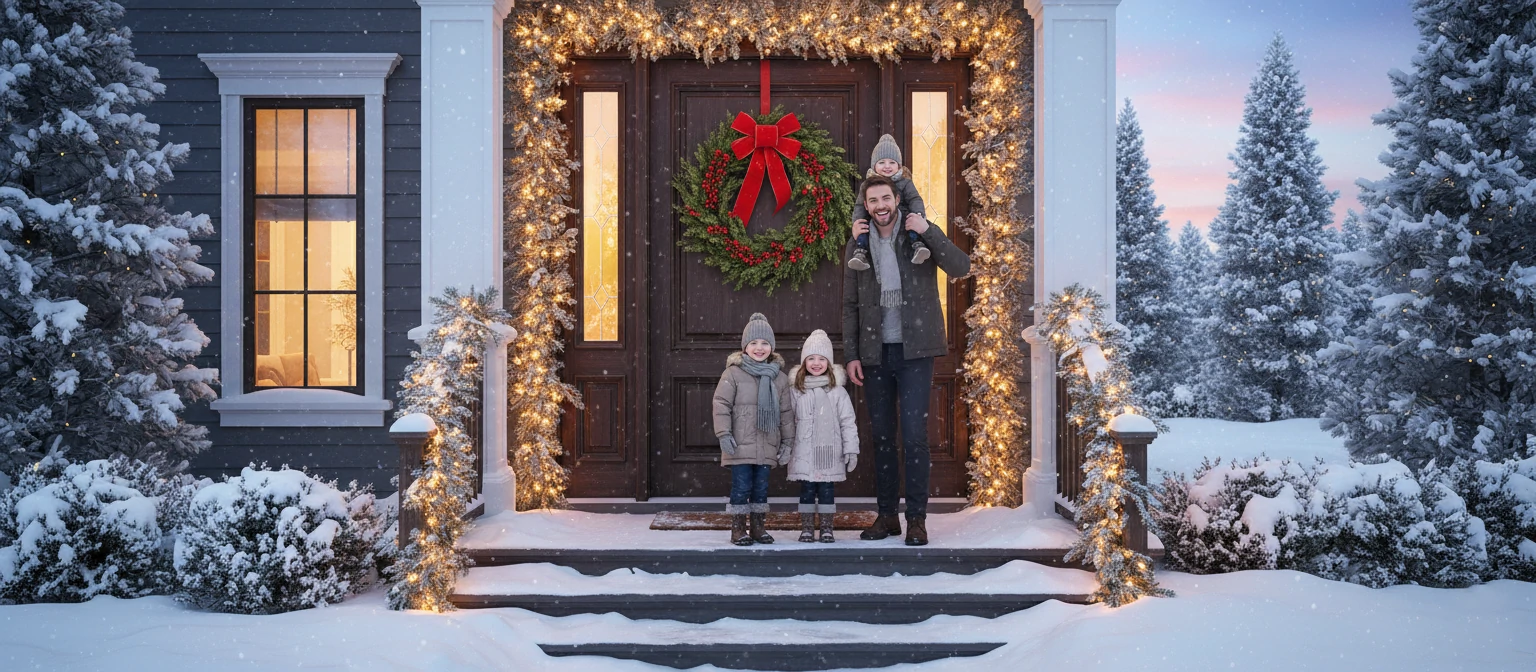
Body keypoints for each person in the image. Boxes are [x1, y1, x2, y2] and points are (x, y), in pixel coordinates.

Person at [842, 175, 971, 546]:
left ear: (897, 199)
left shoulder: (918, 235)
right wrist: (851, 355)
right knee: (882, 438)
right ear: (865, 206)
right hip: (875, 353)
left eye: (886, 198)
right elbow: (849, 305)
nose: (880, 205)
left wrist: (929, 231)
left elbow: (961, 267)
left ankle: (916, 519)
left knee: (914, 438)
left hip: (916, 352)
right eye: (873, 200)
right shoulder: (858, 244)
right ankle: (886, 517)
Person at [712, 312, 795, 546]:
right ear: (745, 347)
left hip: (767, 445)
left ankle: (758, 528)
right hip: (739, 445)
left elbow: (786, 414)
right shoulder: (733, 374)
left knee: (761, 488)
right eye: (754, 343)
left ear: (772, 347)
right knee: (741, 487)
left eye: (765, 343)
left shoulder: (779, 378)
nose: (760, 348)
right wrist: (723, 434)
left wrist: (787, 443)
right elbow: (721, 405)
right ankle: (738, 529)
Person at [785, 329, 860, 543]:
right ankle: (807, 528)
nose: (816, 363)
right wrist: (785, 446)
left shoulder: (837, 392)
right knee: (807, 491)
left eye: (821, 358)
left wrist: (851, 449)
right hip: (804, 452)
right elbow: (788, 421)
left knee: (827, 491)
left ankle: (827, 528)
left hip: (830, 453)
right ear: (803, 363)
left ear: (829, 363)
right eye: (811, 358)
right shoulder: (796, 391)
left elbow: (847, 422)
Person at [847, 134, 931, 272]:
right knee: (864, 230)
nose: (887, 166)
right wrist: (857, 221)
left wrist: (918, 214)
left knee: (910, 225)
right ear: (874, 165)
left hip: (902, 217)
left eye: (892, 163)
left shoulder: (905, 183)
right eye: (882, 163)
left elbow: (914, 199)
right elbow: (860, 205)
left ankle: (917, 246)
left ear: (899, 166)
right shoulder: (867, 185)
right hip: (875, 221)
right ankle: (861, 253)